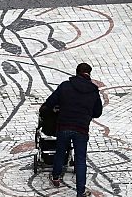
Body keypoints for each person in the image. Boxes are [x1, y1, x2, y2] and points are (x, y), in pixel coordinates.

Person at [42, 63, 103, 197]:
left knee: (60, 152)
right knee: (80, 159)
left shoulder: (65, 85)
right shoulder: (93, 90)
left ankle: (56, 177)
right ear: (89, 74)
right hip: (81, 128)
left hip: (64, 125)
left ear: (76, 72)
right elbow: (98, 112)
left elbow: (50, 102)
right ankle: (80, 192)